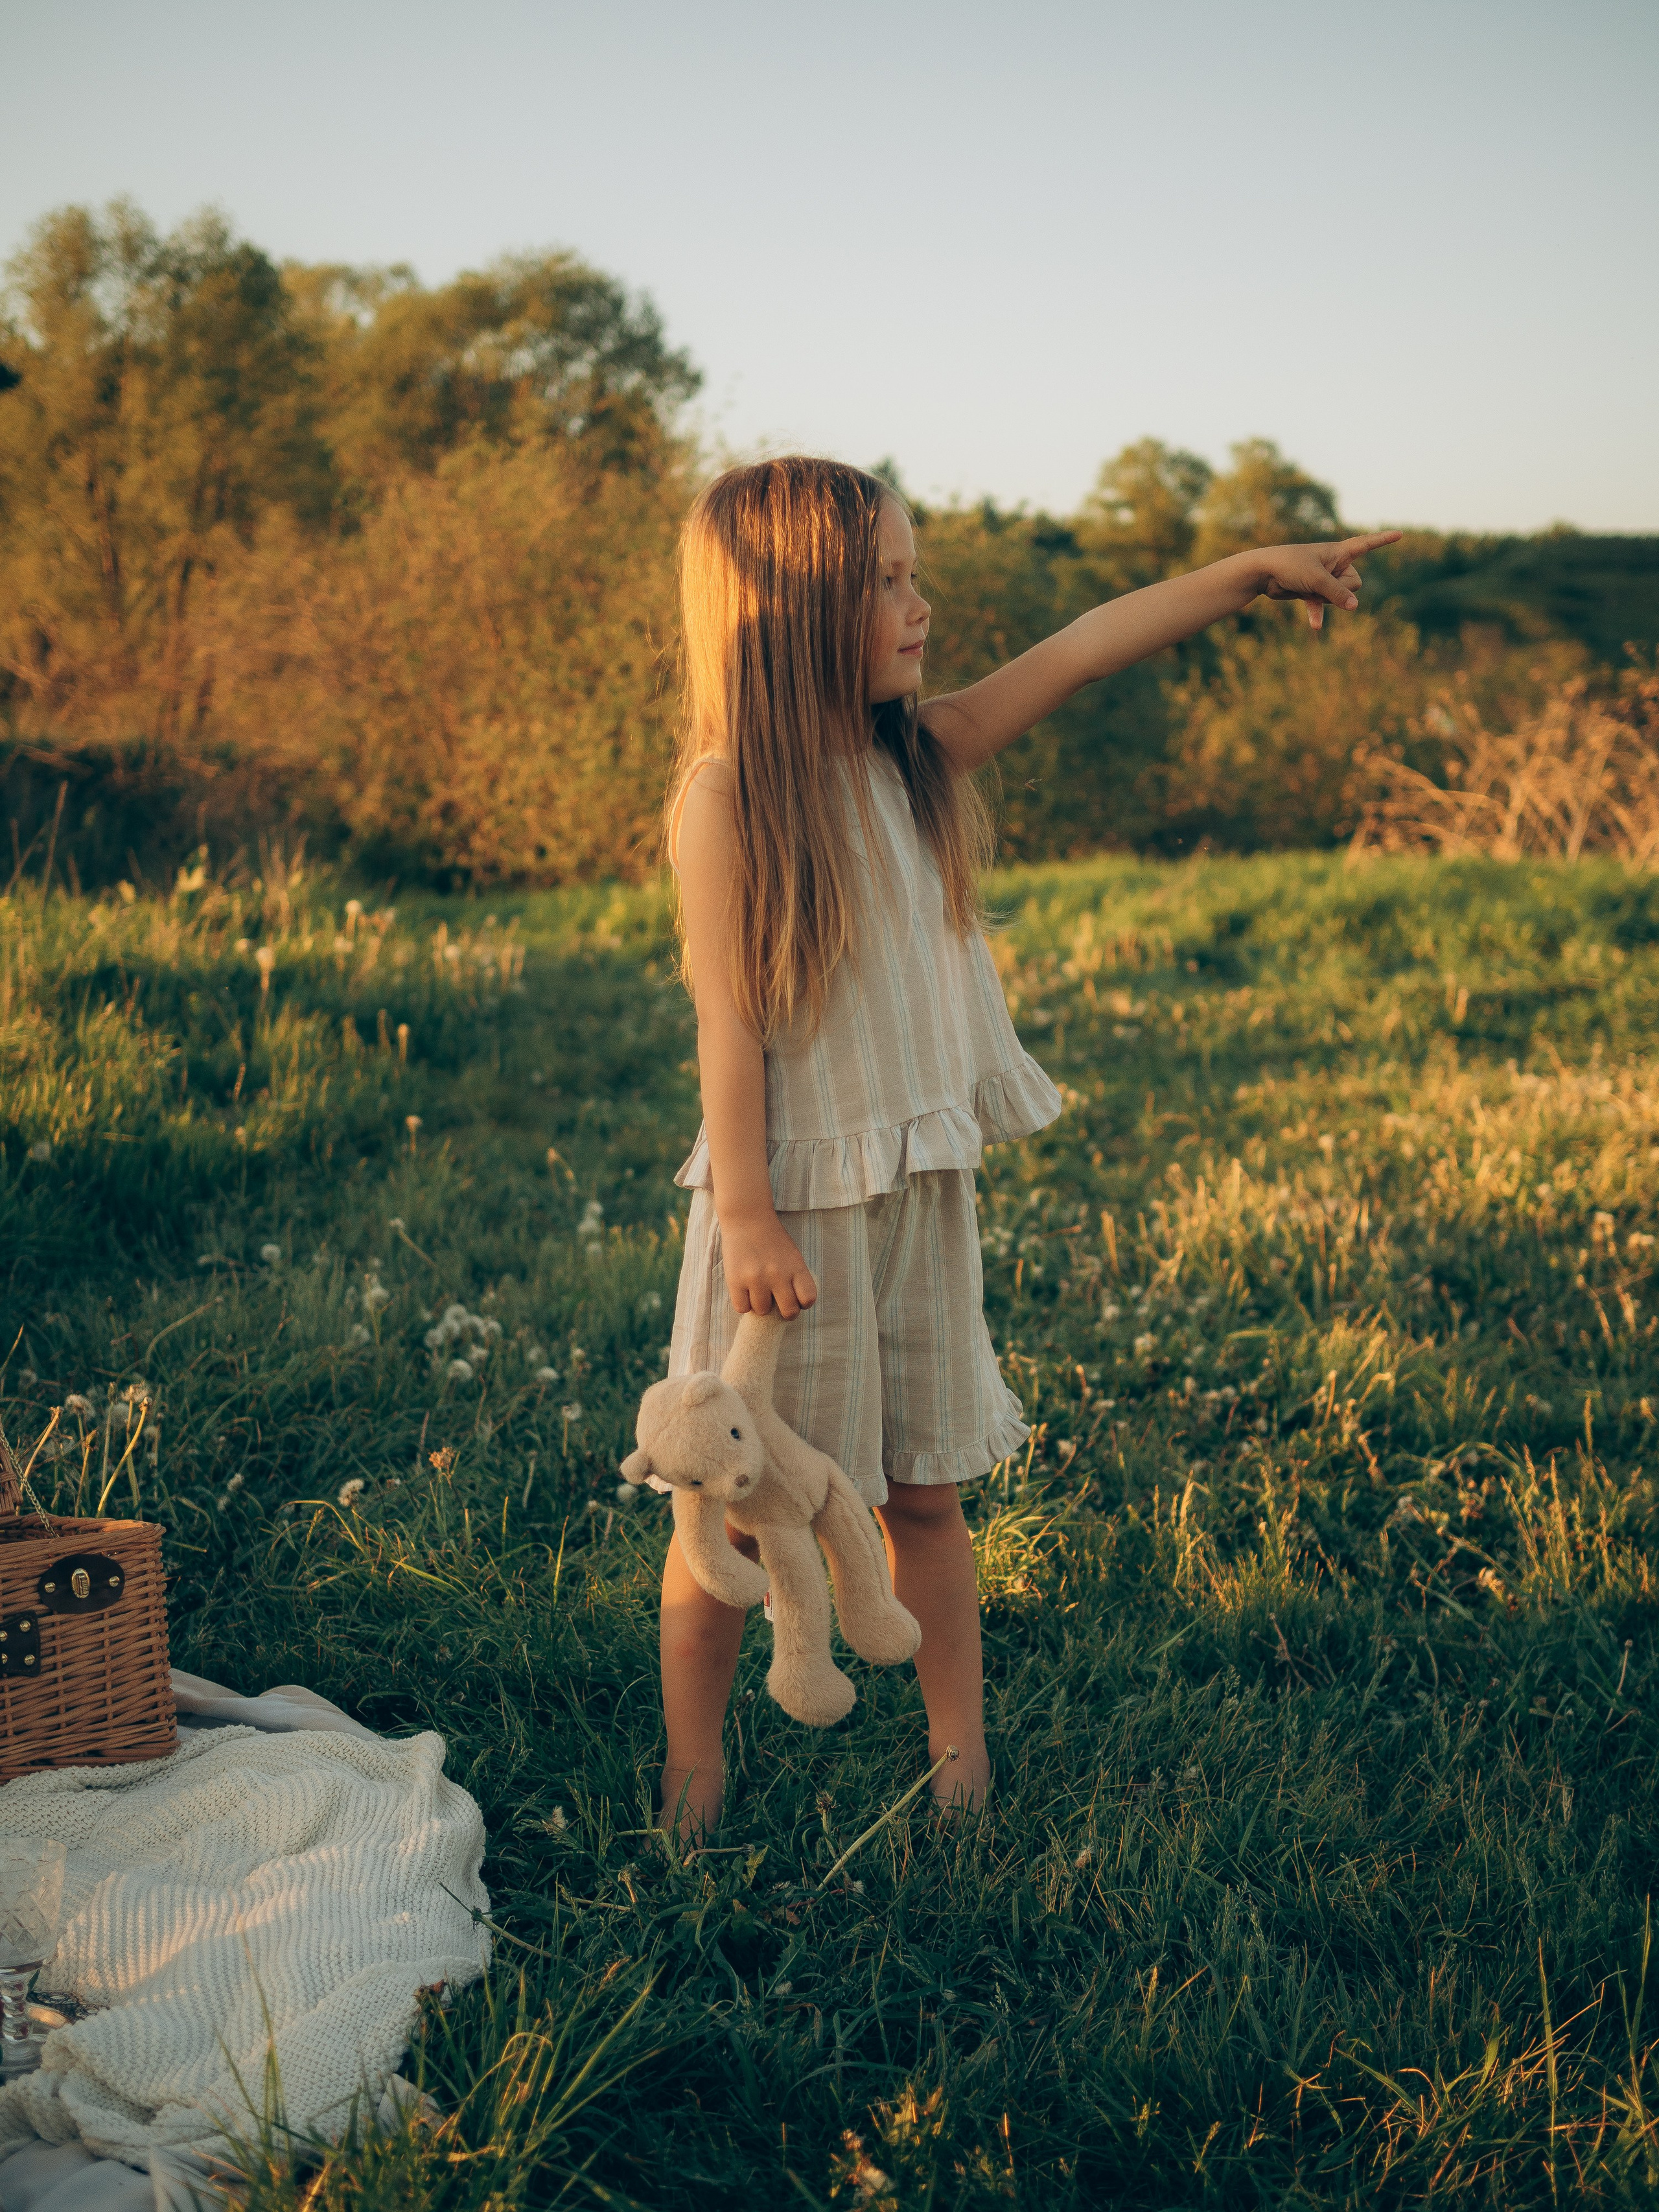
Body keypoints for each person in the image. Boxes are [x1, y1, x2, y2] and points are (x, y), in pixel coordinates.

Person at [658, 455, 1397, 1836]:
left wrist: (1246, 575)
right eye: (883, 582)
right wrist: (747, 1212)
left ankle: (959, 1764)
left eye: (908, 574)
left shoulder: (917, 760)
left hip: (917, 1202)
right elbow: (725, 1029)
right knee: (735, 1507)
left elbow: (1080, 648)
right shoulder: (726, 801)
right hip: (791, 1218)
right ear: (796, 606)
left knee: (923, 1496)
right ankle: (690, 1779)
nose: (916, 605)